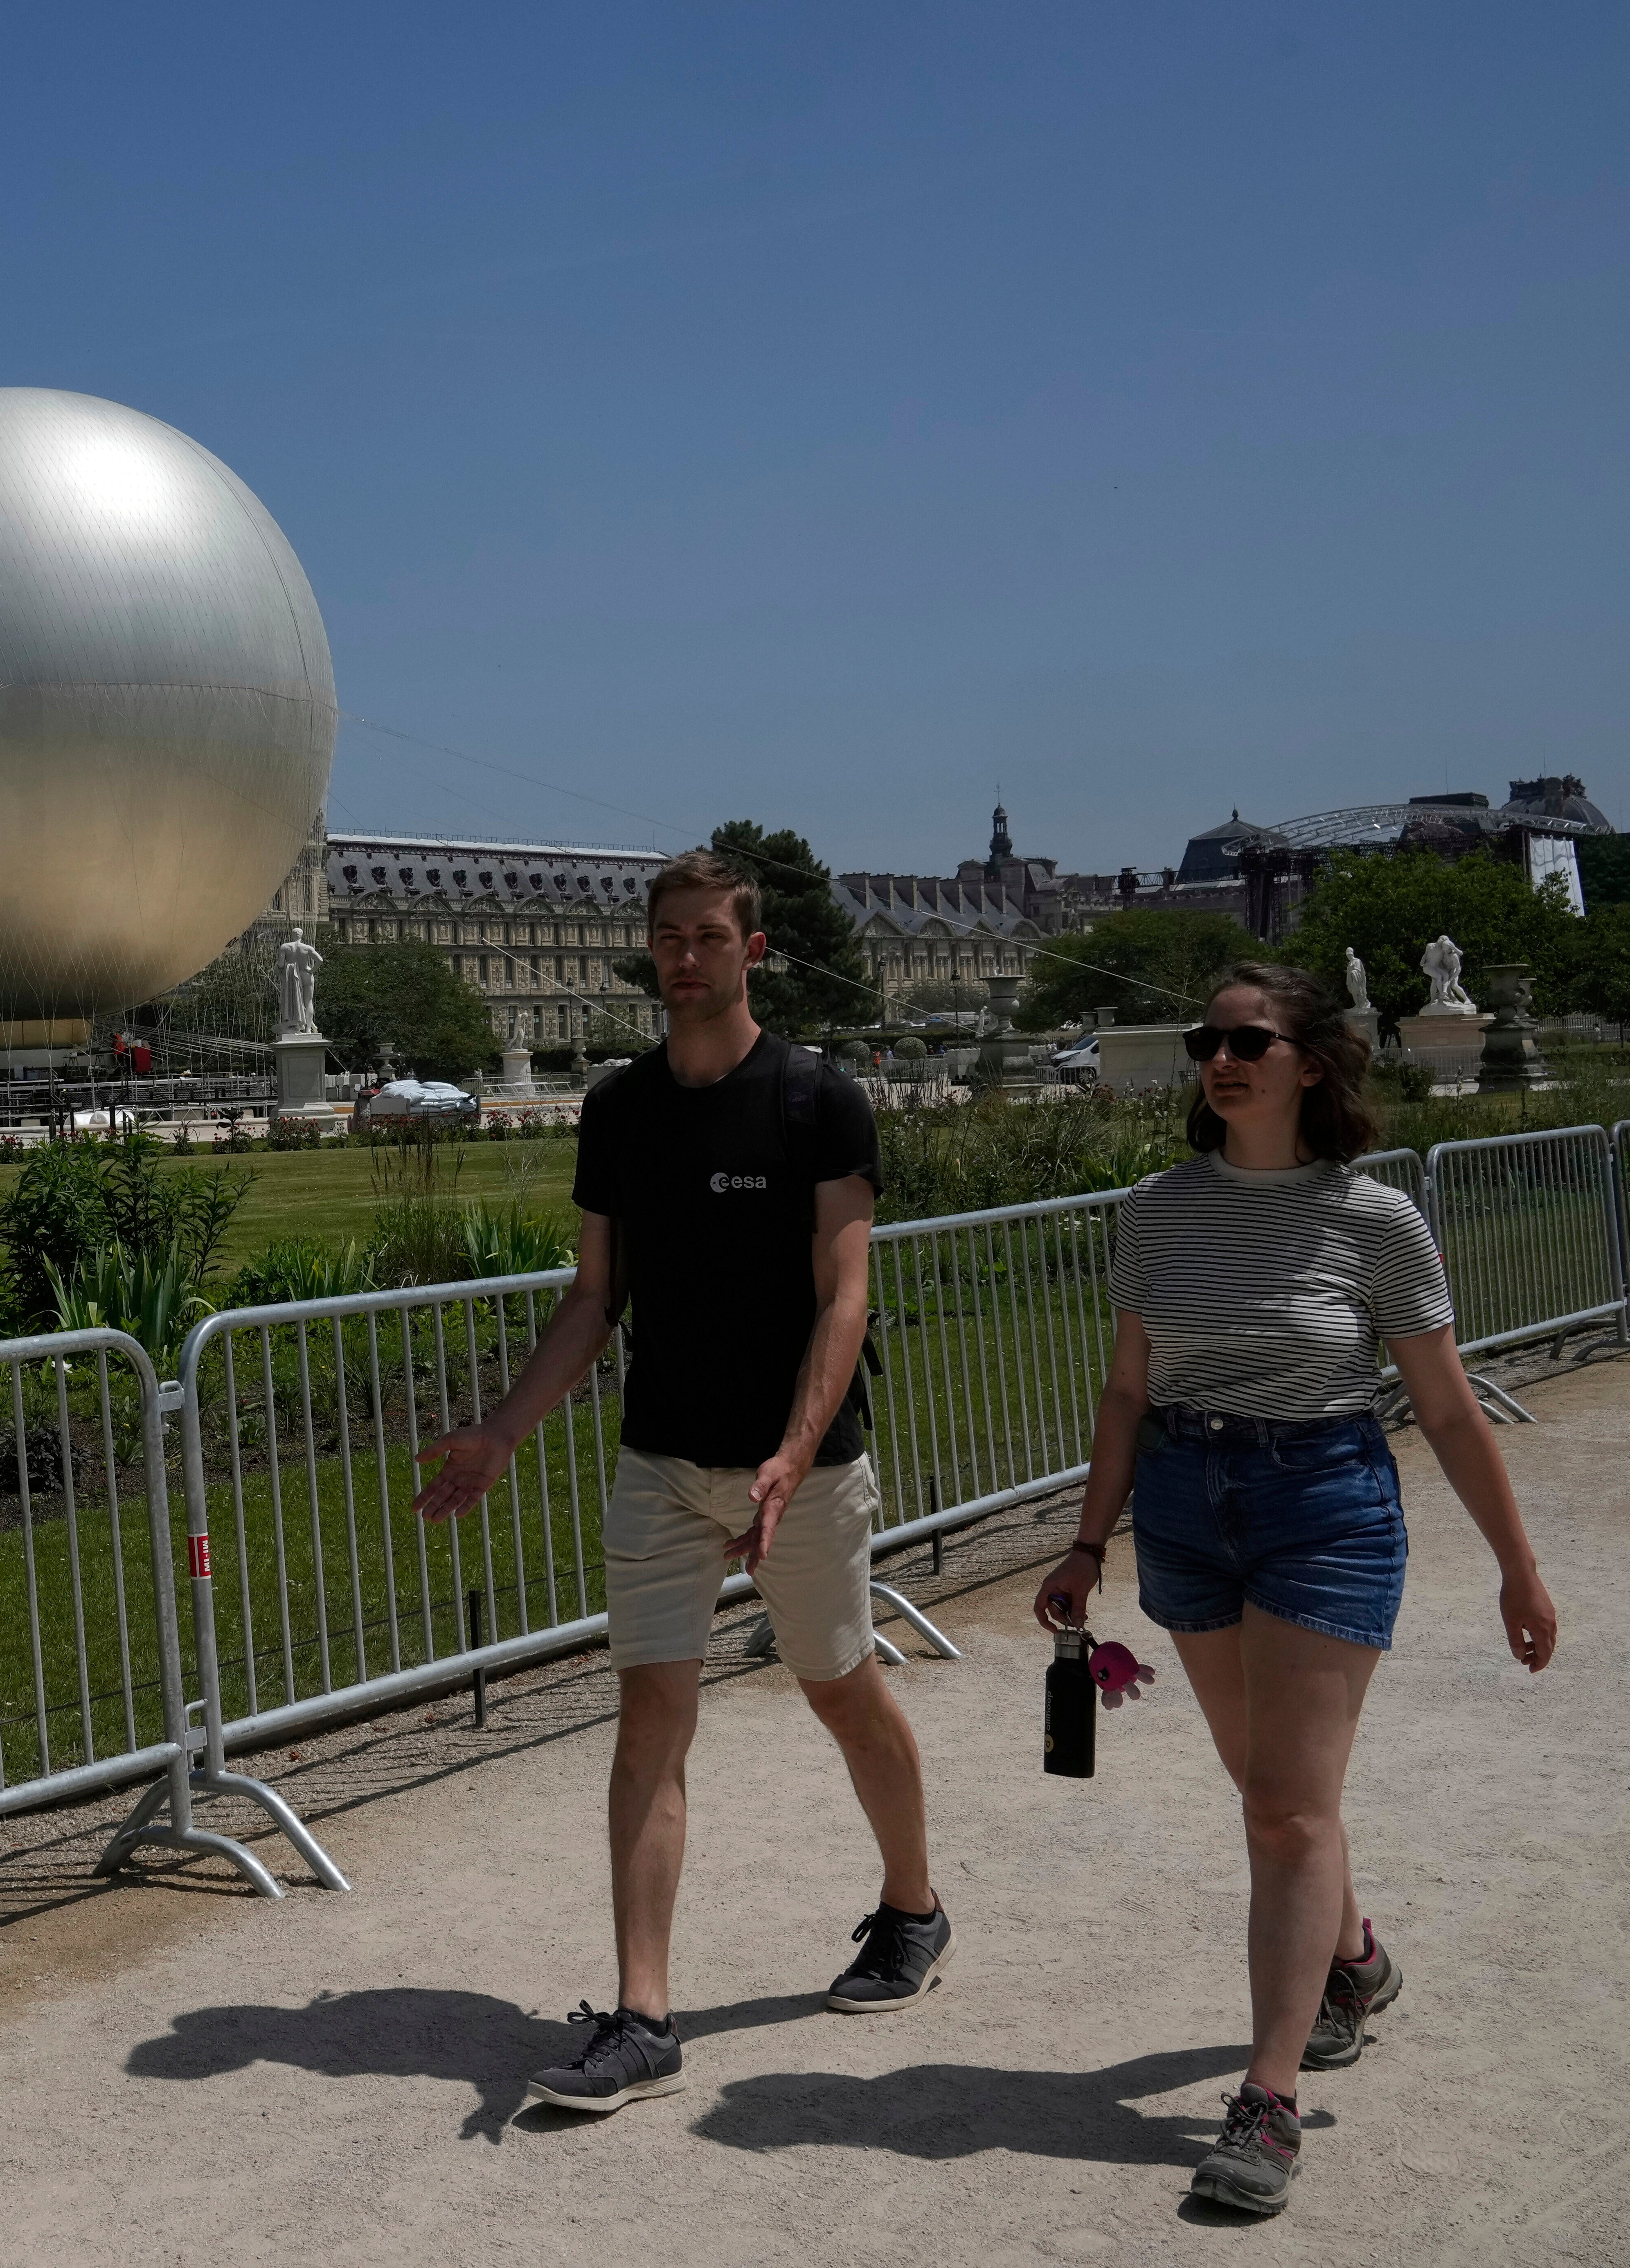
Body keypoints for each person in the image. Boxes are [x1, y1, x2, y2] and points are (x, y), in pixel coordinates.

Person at [414, 847, 943, 2116]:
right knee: (652, 1719)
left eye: (709, 936)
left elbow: (844, 1297)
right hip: (660, 1458)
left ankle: (914, 1908)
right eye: (668, 936)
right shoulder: (620, 1107)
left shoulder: (818, 1100)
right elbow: (595, 1300)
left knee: (840, 1691)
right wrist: (499, 1430)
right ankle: (643, 2013)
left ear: (751, 949)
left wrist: (792, 1454)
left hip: (800, 1471)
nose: (686, 956)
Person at [1033, 961, 1556, 2218]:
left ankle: (1267, 2100)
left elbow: (1441, 1401)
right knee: (1277, 1790)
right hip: (1185, 1504)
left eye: (1249, 1039)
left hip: (1323, 1503)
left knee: (1281, 1806)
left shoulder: (1375, 1221)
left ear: (1309, 1061)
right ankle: (1357, 1961)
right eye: (1208, 1038)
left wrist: (1517, 1566)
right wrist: (1088, 1541)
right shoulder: (1157, 1210)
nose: (1222, 1057)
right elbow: (1125, 1392)